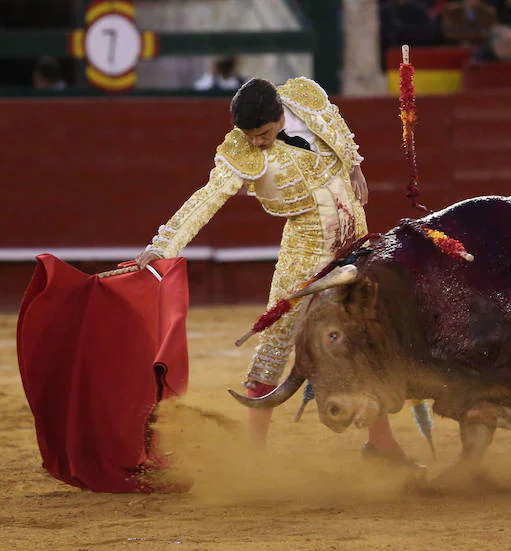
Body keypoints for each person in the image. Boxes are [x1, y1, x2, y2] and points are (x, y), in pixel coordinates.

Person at [135, 78, 412, 465]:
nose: (258, 143)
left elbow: (337, 126)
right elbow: (207, 199)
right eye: (251, 136)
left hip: (356, 242)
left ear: (280, 114)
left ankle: (382, 447)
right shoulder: (241, 152)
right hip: (305, 251)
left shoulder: (305, 97)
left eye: (263, 134)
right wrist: (164, 245)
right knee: (275, 346)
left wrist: (354, 167)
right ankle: (253, 455)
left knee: (360, 339)